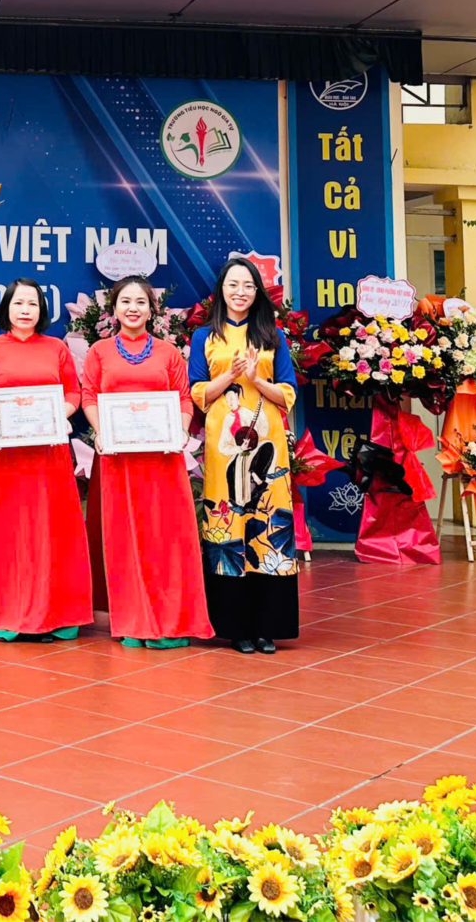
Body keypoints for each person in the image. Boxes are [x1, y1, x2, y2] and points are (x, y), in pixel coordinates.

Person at [81, 275, 213, 649]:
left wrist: (181, 429)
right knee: (125, 538)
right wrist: (100, 430)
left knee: (165, 537)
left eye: (141, 302)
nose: (133, 308)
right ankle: (133, 619)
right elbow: (89, 395)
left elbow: (184, 398)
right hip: (118, 461)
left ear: (152, 310)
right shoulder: (99, 351)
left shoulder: (169, 353)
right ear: (114, 308)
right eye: (125, 301)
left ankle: (172, 618)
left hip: (162, 461)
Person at [188, 254, 300, 653]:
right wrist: (230, 376)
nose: (240, 292)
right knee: (228, 522)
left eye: (248, 285)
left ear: (258, 292)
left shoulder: (273, 335)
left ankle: (268, 626)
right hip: (224, 448)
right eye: (233, 284)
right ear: (221, 290)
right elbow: (197, 392)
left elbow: (287, 392)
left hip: (268, 443)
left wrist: (255, 378)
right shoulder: (204, 337)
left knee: (267, 521)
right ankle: (235, 628)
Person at [0, 279, 91, 641]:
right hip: (8, 456)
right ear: (6, 308)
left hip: (48, 454)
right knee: (10, 532)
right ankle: (9, 614)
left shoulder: (56, 348)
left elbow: (73, 392)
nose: (25, 310)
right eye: (18, 303)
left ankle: (54, 615)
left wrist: (61, 414)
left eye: (32, 304)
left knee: (50, 529)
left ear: (42, 310)